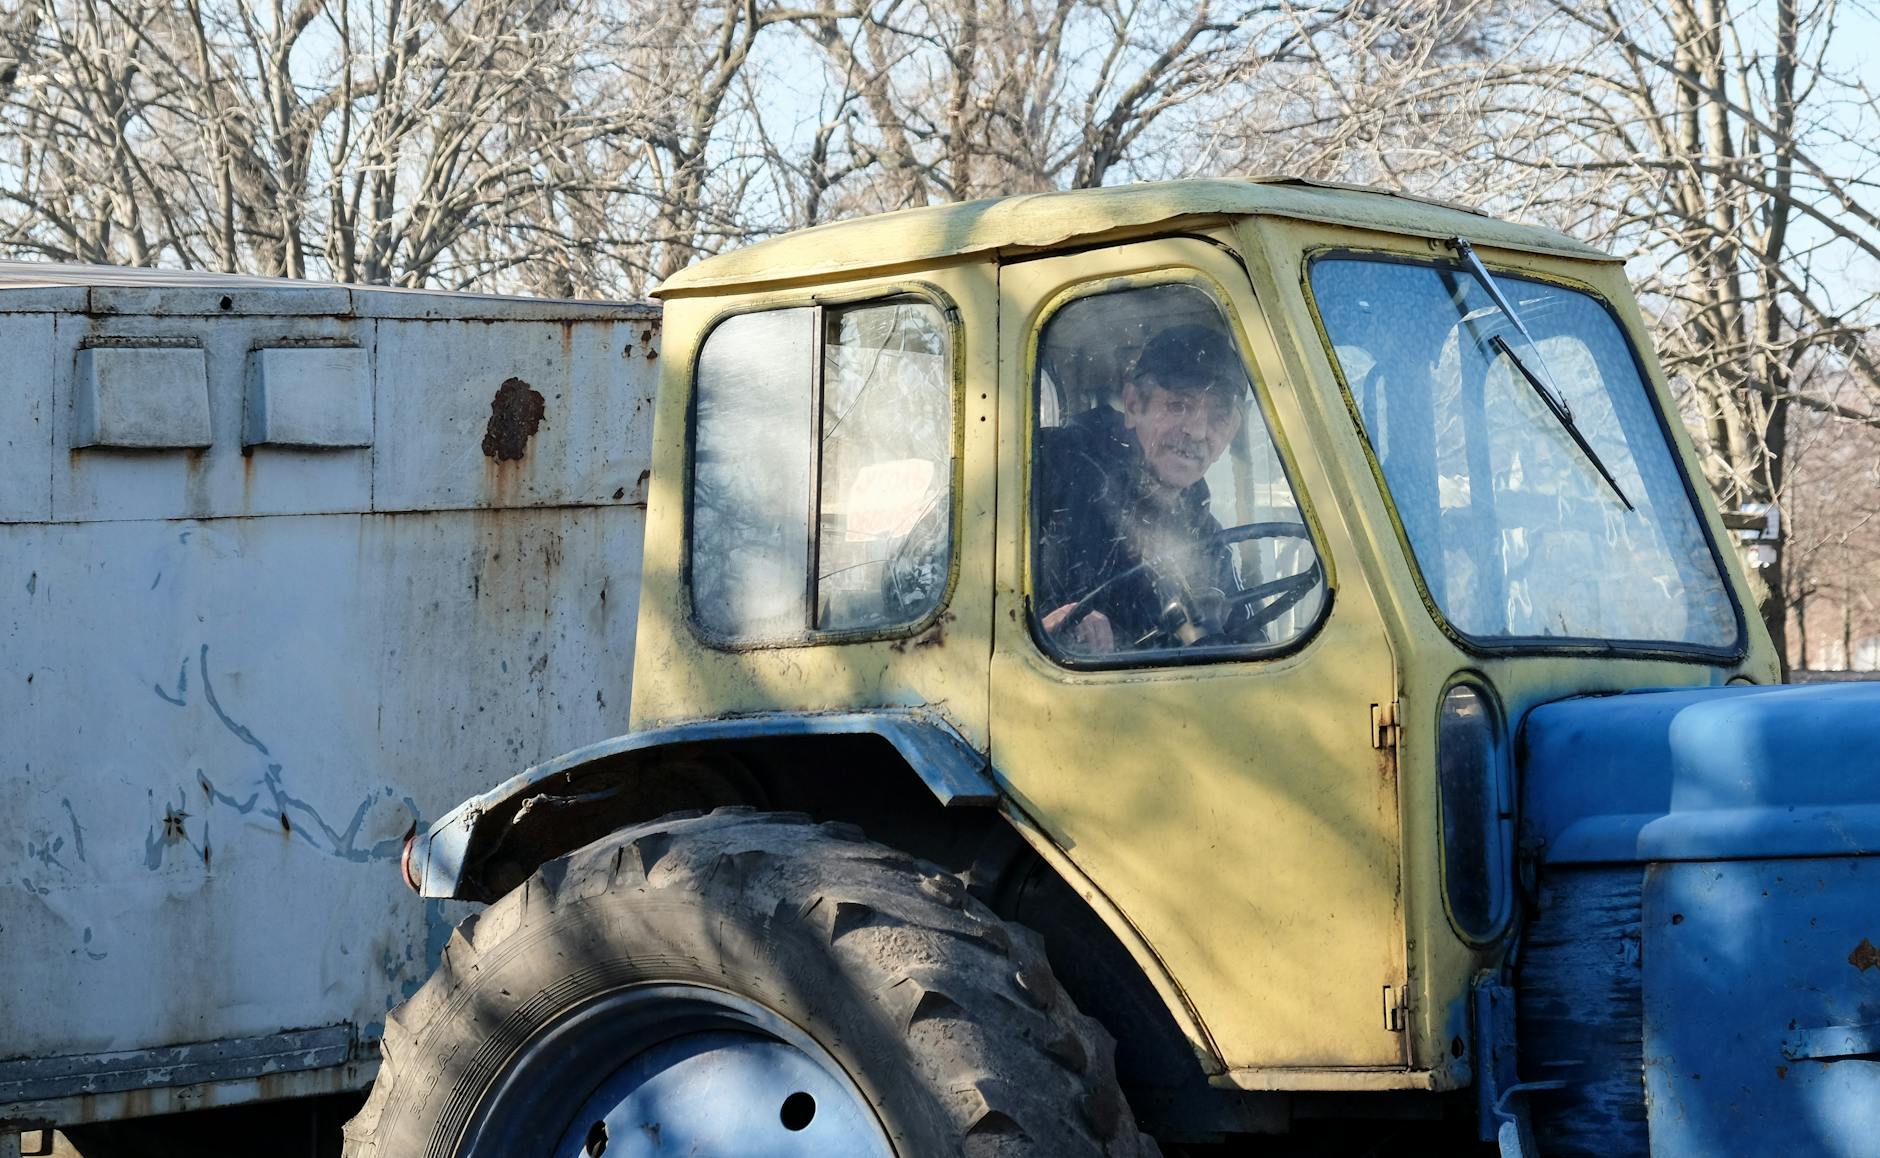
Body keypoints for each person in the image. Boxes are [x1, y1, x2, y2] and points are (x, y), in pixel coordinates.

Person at [1035, 323, 1249, 655]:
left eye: (1218, 417)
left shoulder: (1207, 539)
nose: (1197, 431)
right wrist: (1038, 629)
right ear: (1134, 405)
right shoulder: (1049, 471)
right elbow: (934, 590)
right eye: (1179, 406)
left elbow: (1248, 641)